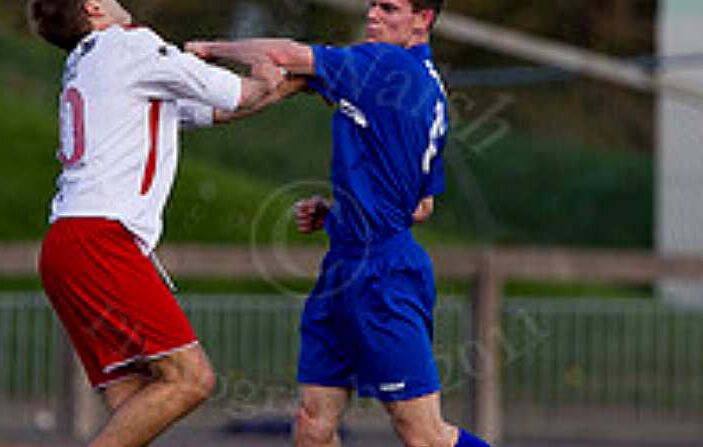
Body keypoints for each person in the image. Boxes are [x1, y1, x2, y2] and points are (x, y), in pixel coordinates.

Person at [185, 1, 492, 446]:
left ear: (422, 20)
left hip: (385, 274)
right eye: (371, 5)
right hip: (344, 267)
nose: (372, 15)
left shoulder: (388, 64)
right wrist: (340, 210)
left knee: (423, 434)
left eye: (388, 8)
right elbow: (421, 206)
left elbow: (288, 56)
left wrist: (211, 49)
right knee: (313, 426)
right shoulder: (418, 85)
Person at [29, 1, 290, 446]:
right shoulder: (132, 43)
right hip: (101, 238)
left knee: (137, 404)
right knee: (191, 380)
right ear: (94, 7)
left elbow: (211, 111)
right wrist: (282, 76)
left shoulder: (89, 63)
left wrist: (279, 88)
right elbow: (238, 94)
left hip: (66, 244)